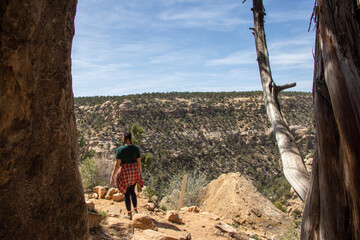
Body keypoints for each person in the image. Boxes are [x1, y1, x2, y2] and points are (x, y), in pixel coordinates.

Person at [110, 131, 143, 220]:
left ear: (123, 139)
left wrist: (113, 177)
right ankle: (135, 210)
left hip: (125, 172)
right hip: (134, 171)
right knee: (133, 191)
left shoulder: (120, 149)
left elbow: (117, 165)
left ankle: (129, 214)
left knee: (126, 193)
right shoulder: (135, 149)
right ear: (130, 139)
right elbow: (139, 163)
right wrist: (140, 175)